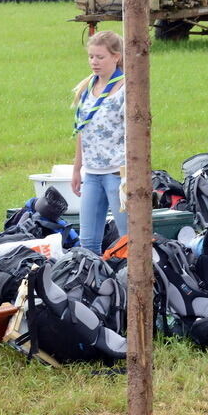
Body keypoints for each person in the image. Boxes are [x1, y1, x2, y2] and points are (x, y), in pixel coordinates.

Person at [71, 30, 127, 253]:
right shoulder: (87, 88)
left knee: (128, 238)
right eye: (91, 56)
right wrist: (77, 169)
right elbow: (82, 131)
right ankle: (91, 281)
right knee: (88, 241)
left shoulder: (125, 89)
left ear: (116, 57)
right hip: (92, 173)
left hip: (117, 173)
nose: (94, 62)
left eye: (100, 57)